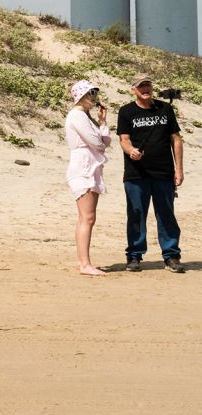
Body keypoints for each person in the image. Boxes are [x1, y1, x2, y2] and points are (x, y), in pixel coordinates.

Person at [117, 74, 185, 273]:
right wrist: (131, 151)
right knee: (136, 214)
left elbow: (176, 140)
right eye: (141, 86)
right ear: (133, 89)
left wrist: (178, 169)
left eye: (148, 85)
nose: (145, 89)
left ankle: (171, 255)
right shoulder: (126, 111)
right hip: (136, 173)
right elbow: (124, 139)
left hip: (163, 172)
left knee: (166, 214)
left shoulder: (165, 108)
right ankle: (134, 256)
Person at [65, 80, 111, 276]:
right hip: (83, 168)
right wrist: (100, 137)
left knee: (87, 218)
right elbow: (98, 144)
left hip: (90, 168)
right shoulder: (77, 115)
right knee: (87, 217)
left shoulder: (85, 117)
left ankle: (83, 261)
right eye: (91, 93)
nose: (94, 97)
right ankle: (84, 264)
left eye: (95, 93)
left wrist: (102, 122)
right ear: (82, 95)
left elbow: (105, 142)